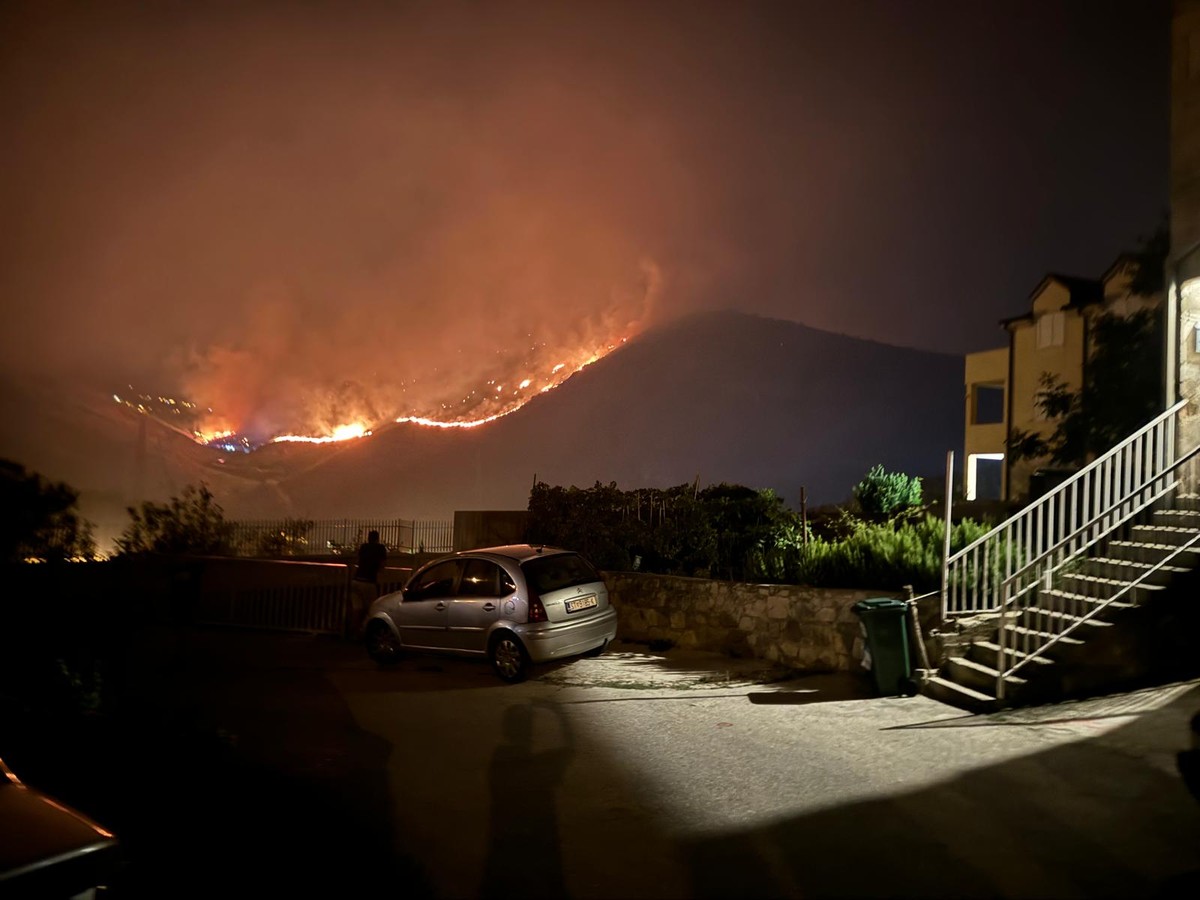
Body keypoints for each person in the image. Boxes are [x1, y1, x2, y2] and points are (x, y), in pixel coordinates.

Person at [349, 530, 387, 638]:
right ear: (377, 538)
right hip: (369, 582)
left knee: (357, 609)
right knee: (372, 608)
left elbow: (358, 561)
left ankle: (353, 632)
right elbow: (382, 565)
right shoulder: (380, 549)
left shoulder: (363, 547)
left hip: (356, 580)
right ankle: (365, 632)